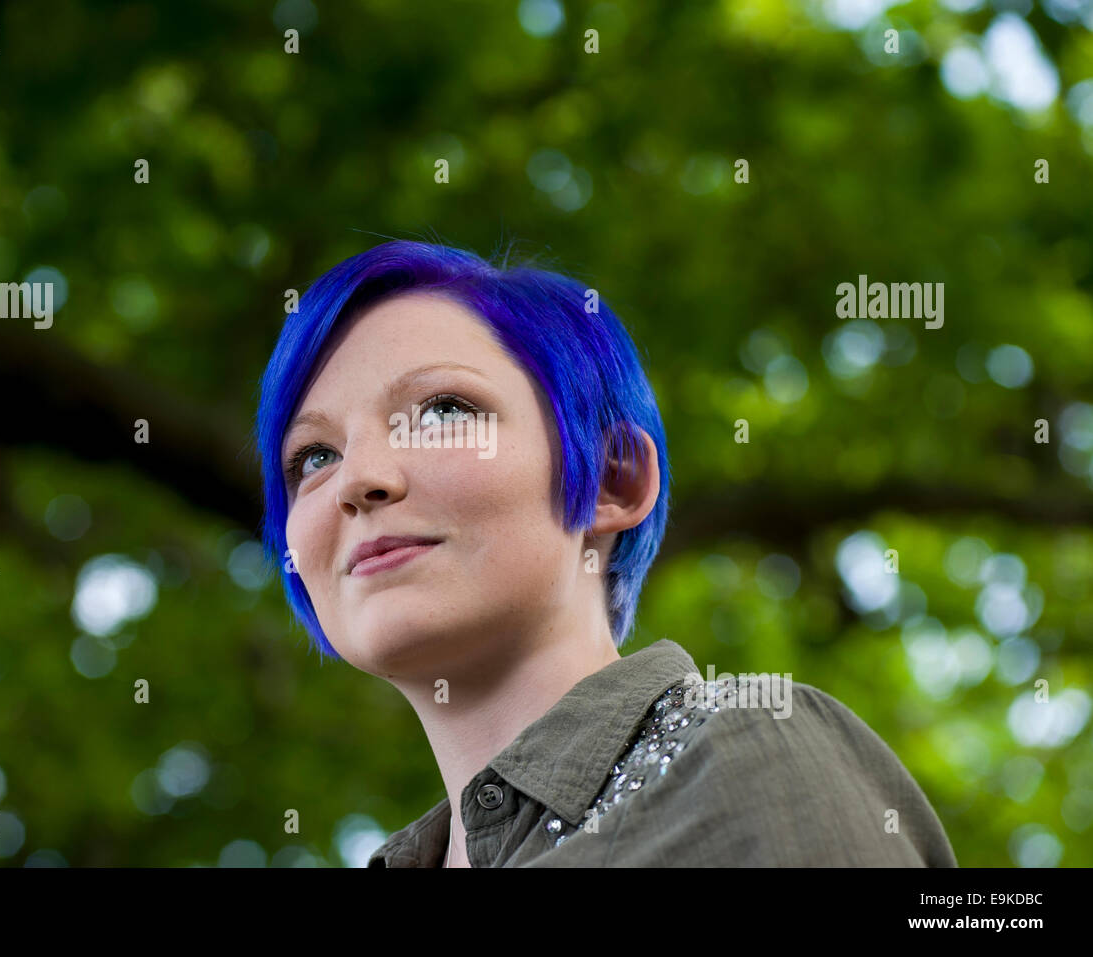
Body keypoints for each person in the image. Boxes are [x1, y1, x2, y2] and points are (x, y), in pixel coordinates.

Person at [252, 238, 957, 867]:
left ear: (613, 479)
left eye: (443, 411)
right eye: (314, 455)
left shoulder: (744, 754)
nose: (358, 479)